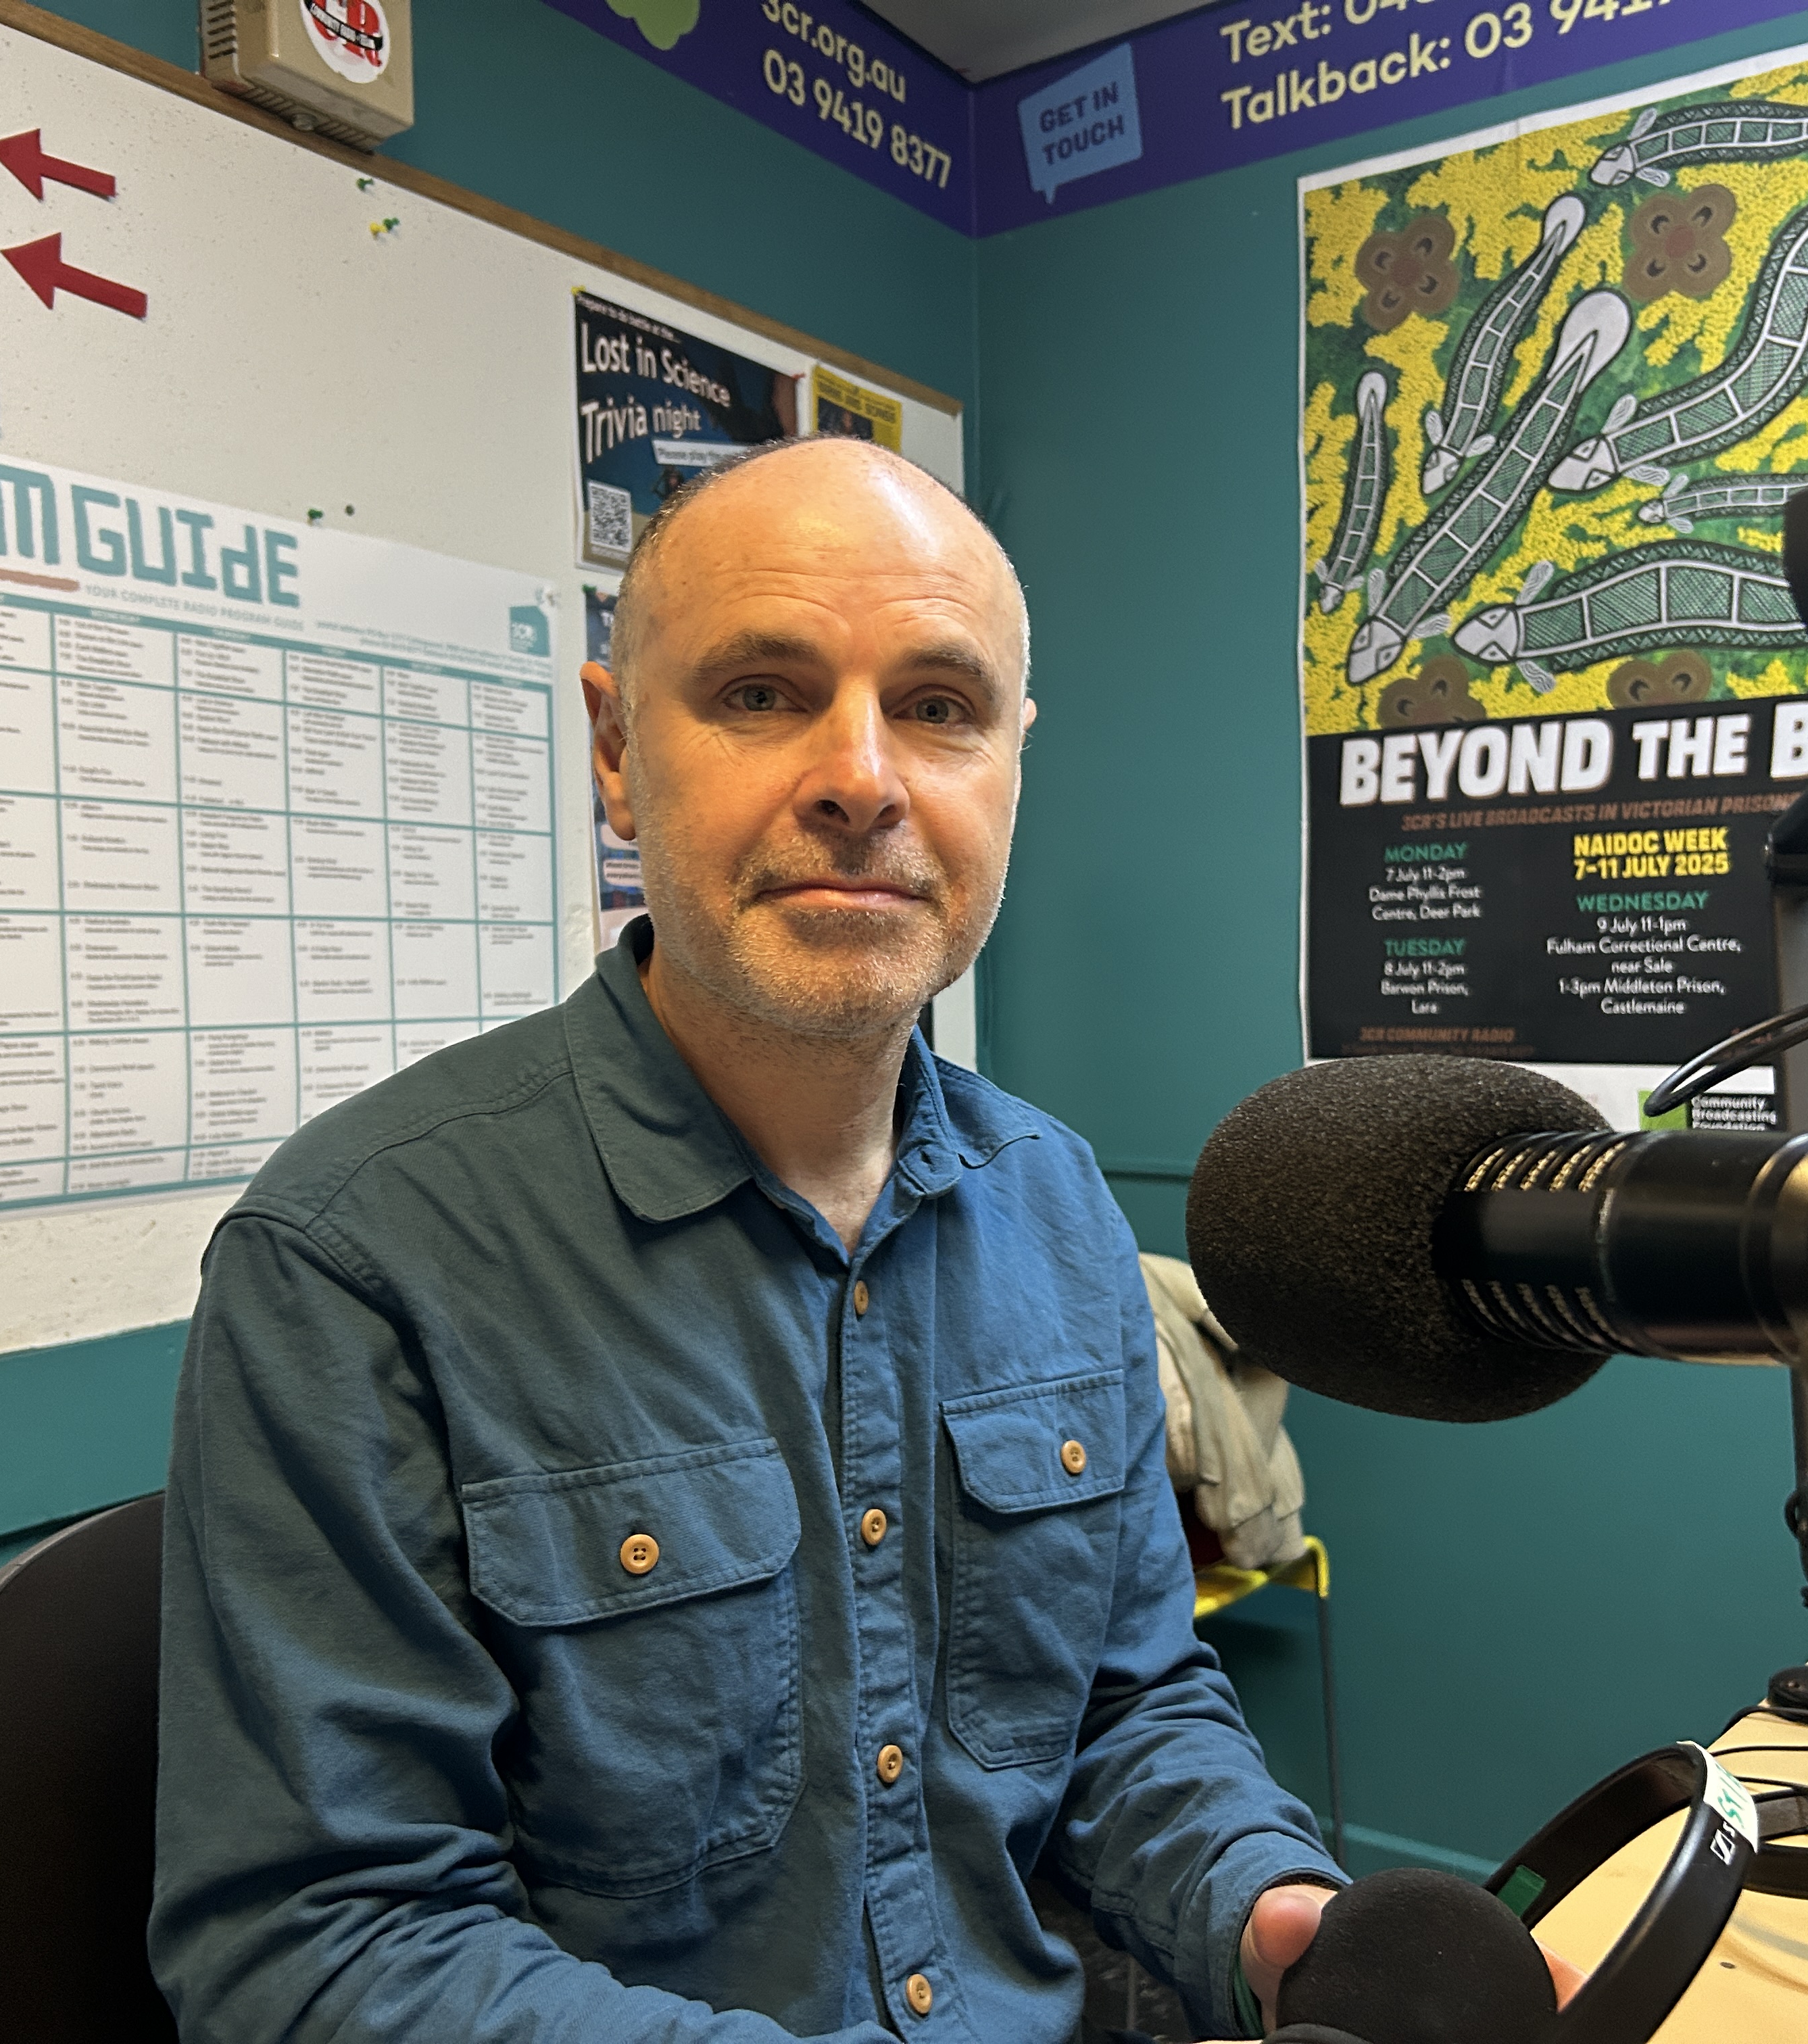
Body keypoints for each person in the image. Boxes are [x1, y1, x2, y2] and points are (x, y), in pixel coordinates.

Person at [149, 437, 1540, 2043]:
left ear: (1012, 760)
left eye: (940, 708)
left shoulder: (1058, 1203)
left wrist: (1272, 1914)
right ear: (614, 748)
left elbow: (1124, 1712)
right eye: (759, 692)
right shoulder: (355, 1258)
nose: (863, 778)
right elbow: (327, 1947)